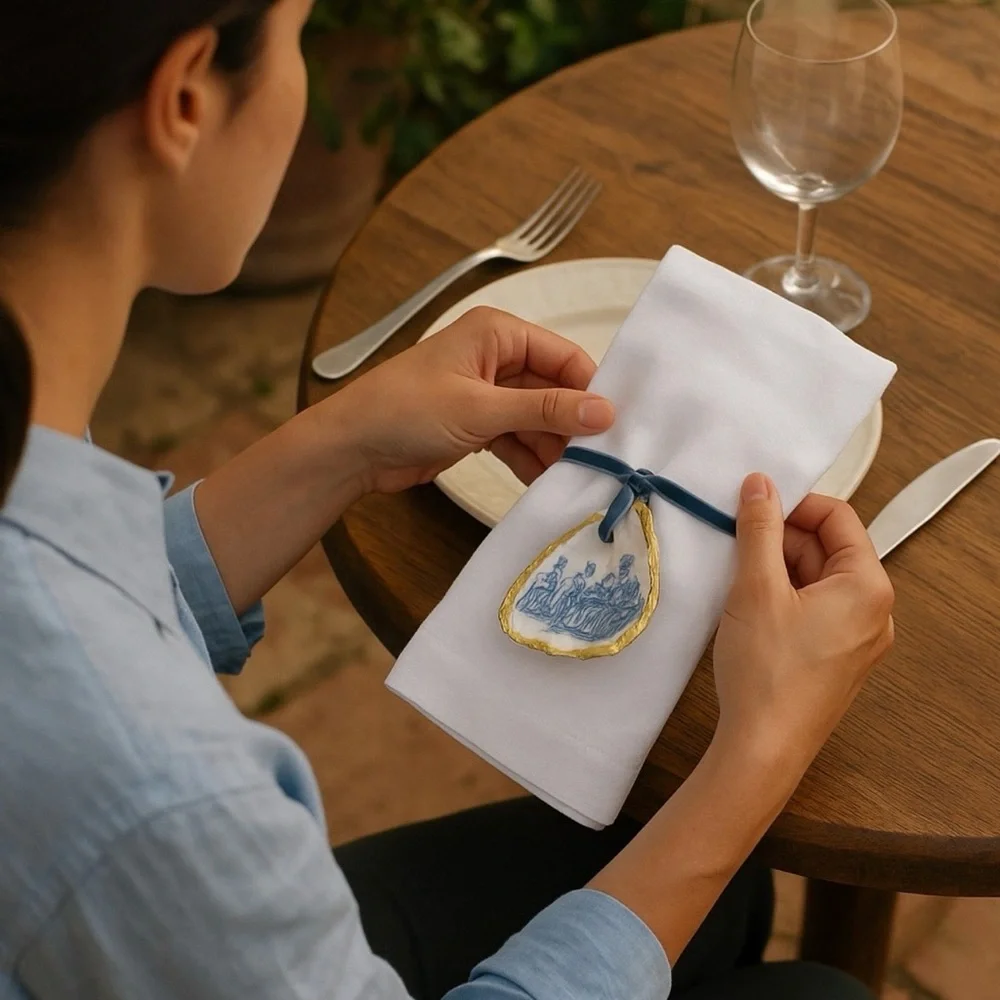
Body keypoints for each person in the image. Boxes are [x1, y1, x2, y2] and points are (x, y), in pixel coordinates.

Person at [0, 2, 895, 998]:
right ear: (183, 100)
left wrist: (344, 440)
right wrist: (758, 755)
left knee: (722, 900)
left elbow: (80, 600)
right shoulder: (156, 787)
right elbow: (98, 701)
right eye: (299, 32)